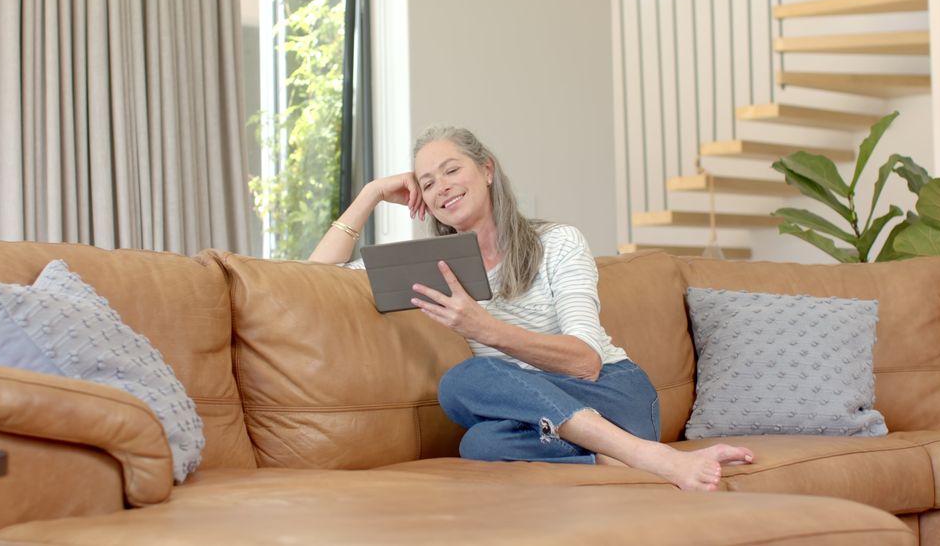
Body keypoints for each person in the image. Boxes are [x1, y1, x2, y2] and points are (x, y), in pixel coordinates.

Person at [309, 125, 753, 491]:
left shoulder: (558, 242)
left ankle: (648, 455)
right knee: (479, 443)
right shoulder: (431, 268)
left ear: (486, 170)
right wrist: (370, 194)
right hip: (539, 417)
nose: (441, 187)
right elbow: (312, 276)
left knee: (465, 378)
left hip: (616, 396)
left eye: (451, 170)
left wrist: (485, 328)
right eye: (427, 183)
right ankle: (621, 458)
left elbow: (586, 362)